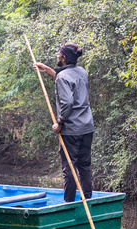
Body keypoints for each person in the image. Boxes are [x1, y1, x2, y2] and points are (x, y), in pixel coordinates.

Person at [34, 43, 94, 203]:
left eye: (58, 54)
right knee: (84, 166)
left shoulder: (63, 77)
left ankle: (69, 204)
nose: (56, 56)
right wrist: (47, 70)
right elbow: (68, 82)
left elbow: (67, 102)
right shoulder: (82, 72)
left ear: (64, 58)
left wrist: (59, 123)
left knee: (69, 169)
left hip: (71, 130)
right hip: (87, 127)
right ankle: (88, 201)